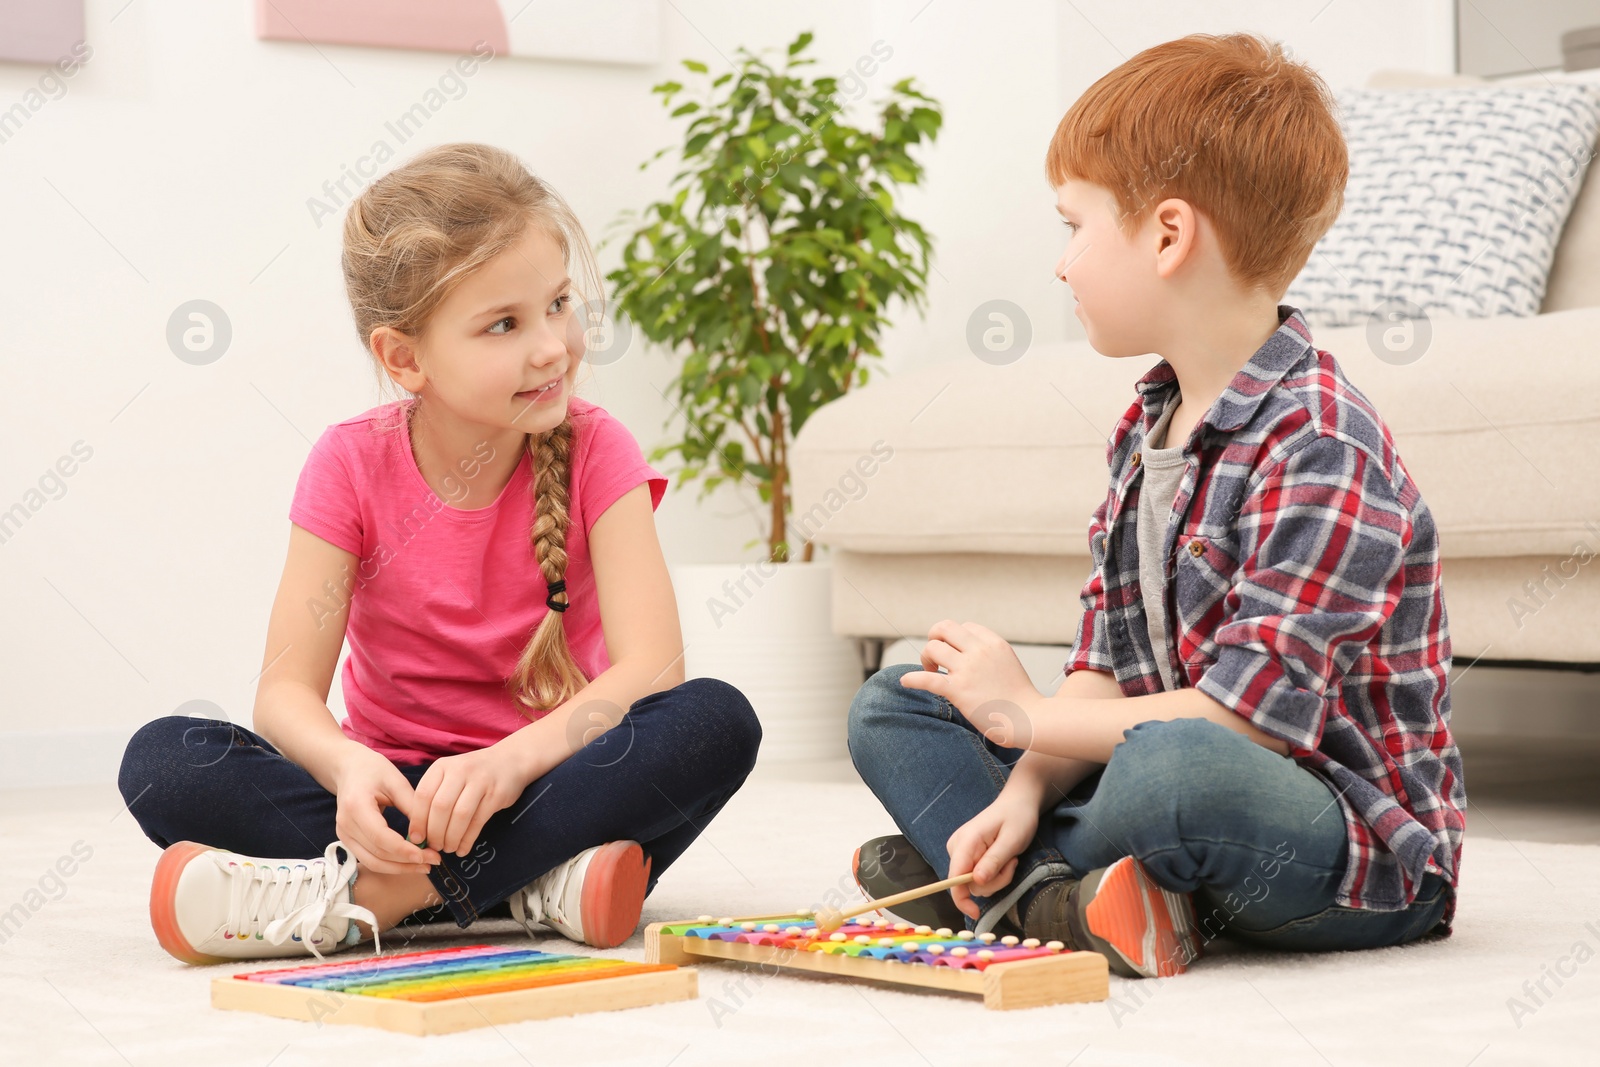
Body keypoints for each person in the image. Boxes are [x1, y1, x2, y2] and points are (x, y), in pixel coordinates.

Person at [847, 33, 1465, 980]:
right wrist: (1022, 779)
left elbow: (1246, 724)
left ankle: (1005, 884)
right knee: (896, 700)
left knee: (1170, 769)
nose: (1061, 265)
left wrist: (1023, 714)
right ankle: (1053, 887)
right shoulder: (1150, 428)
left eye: (1073, 227)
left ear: (1169, 236)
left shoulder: (1324, 445)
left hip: (1340, 850)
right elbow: (1105, 671)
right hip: (1175, 770)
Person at [118, 142, 761, 963]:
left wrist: (509, 762)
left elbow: (652, 669)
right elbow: (284, 692)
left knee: (713, 720)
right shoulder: (349, 463)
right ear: (404, 357)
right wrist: (349, 768)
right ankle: (529, 885)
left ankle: (371, 897)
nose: (553, 347)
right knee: (163, 760)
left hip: (546, 782)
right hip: (391, 797)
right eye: (504, 324)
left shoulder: (601, 450)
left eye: (559, 303)